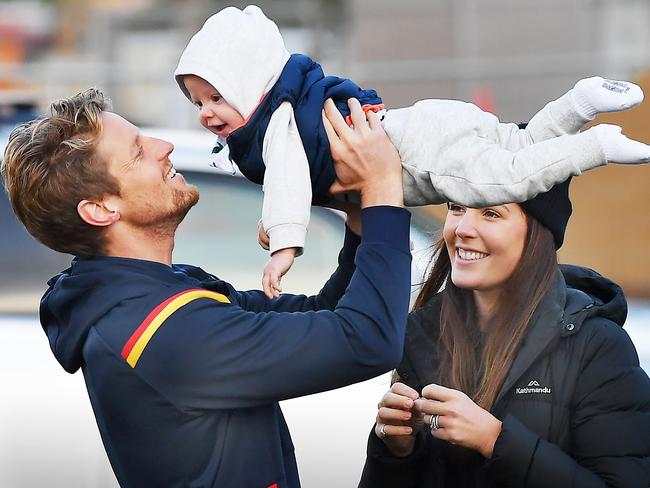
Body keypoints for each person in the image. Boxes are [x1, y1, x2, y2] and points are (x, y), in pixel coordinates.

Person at [1, 89, 412, 488]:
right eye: (138, 152)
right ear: (101, 209)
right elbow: (367, 340)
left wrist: (360, 217)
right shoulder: (160, 330)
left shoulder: (161, 292)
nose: (164, 146)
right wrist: (382, 191)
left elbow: (324, 312)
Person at [173, 5, 650, 299]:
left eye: (217, 98)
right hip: (423, 119)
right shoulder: (288, 110)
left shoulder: (277, 121)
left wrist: (283, 246)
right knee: (519, 143)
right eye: (197, 102)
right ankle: (579, 102)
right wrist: (275, 219)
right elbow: (294, 184)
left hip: (419, 150)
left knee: (509, 178)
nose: (206, 113)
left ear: (252, 84)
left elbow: (287, 178)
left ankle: (595, 145)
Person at [358, 178, 650, 487]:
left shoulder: (597, 347)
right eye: (456, 208)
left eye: (491, 213)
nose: (462, 229)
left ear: (537, 232)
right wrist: (397, 452)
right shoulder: (420, 337)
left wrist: (495, 440)